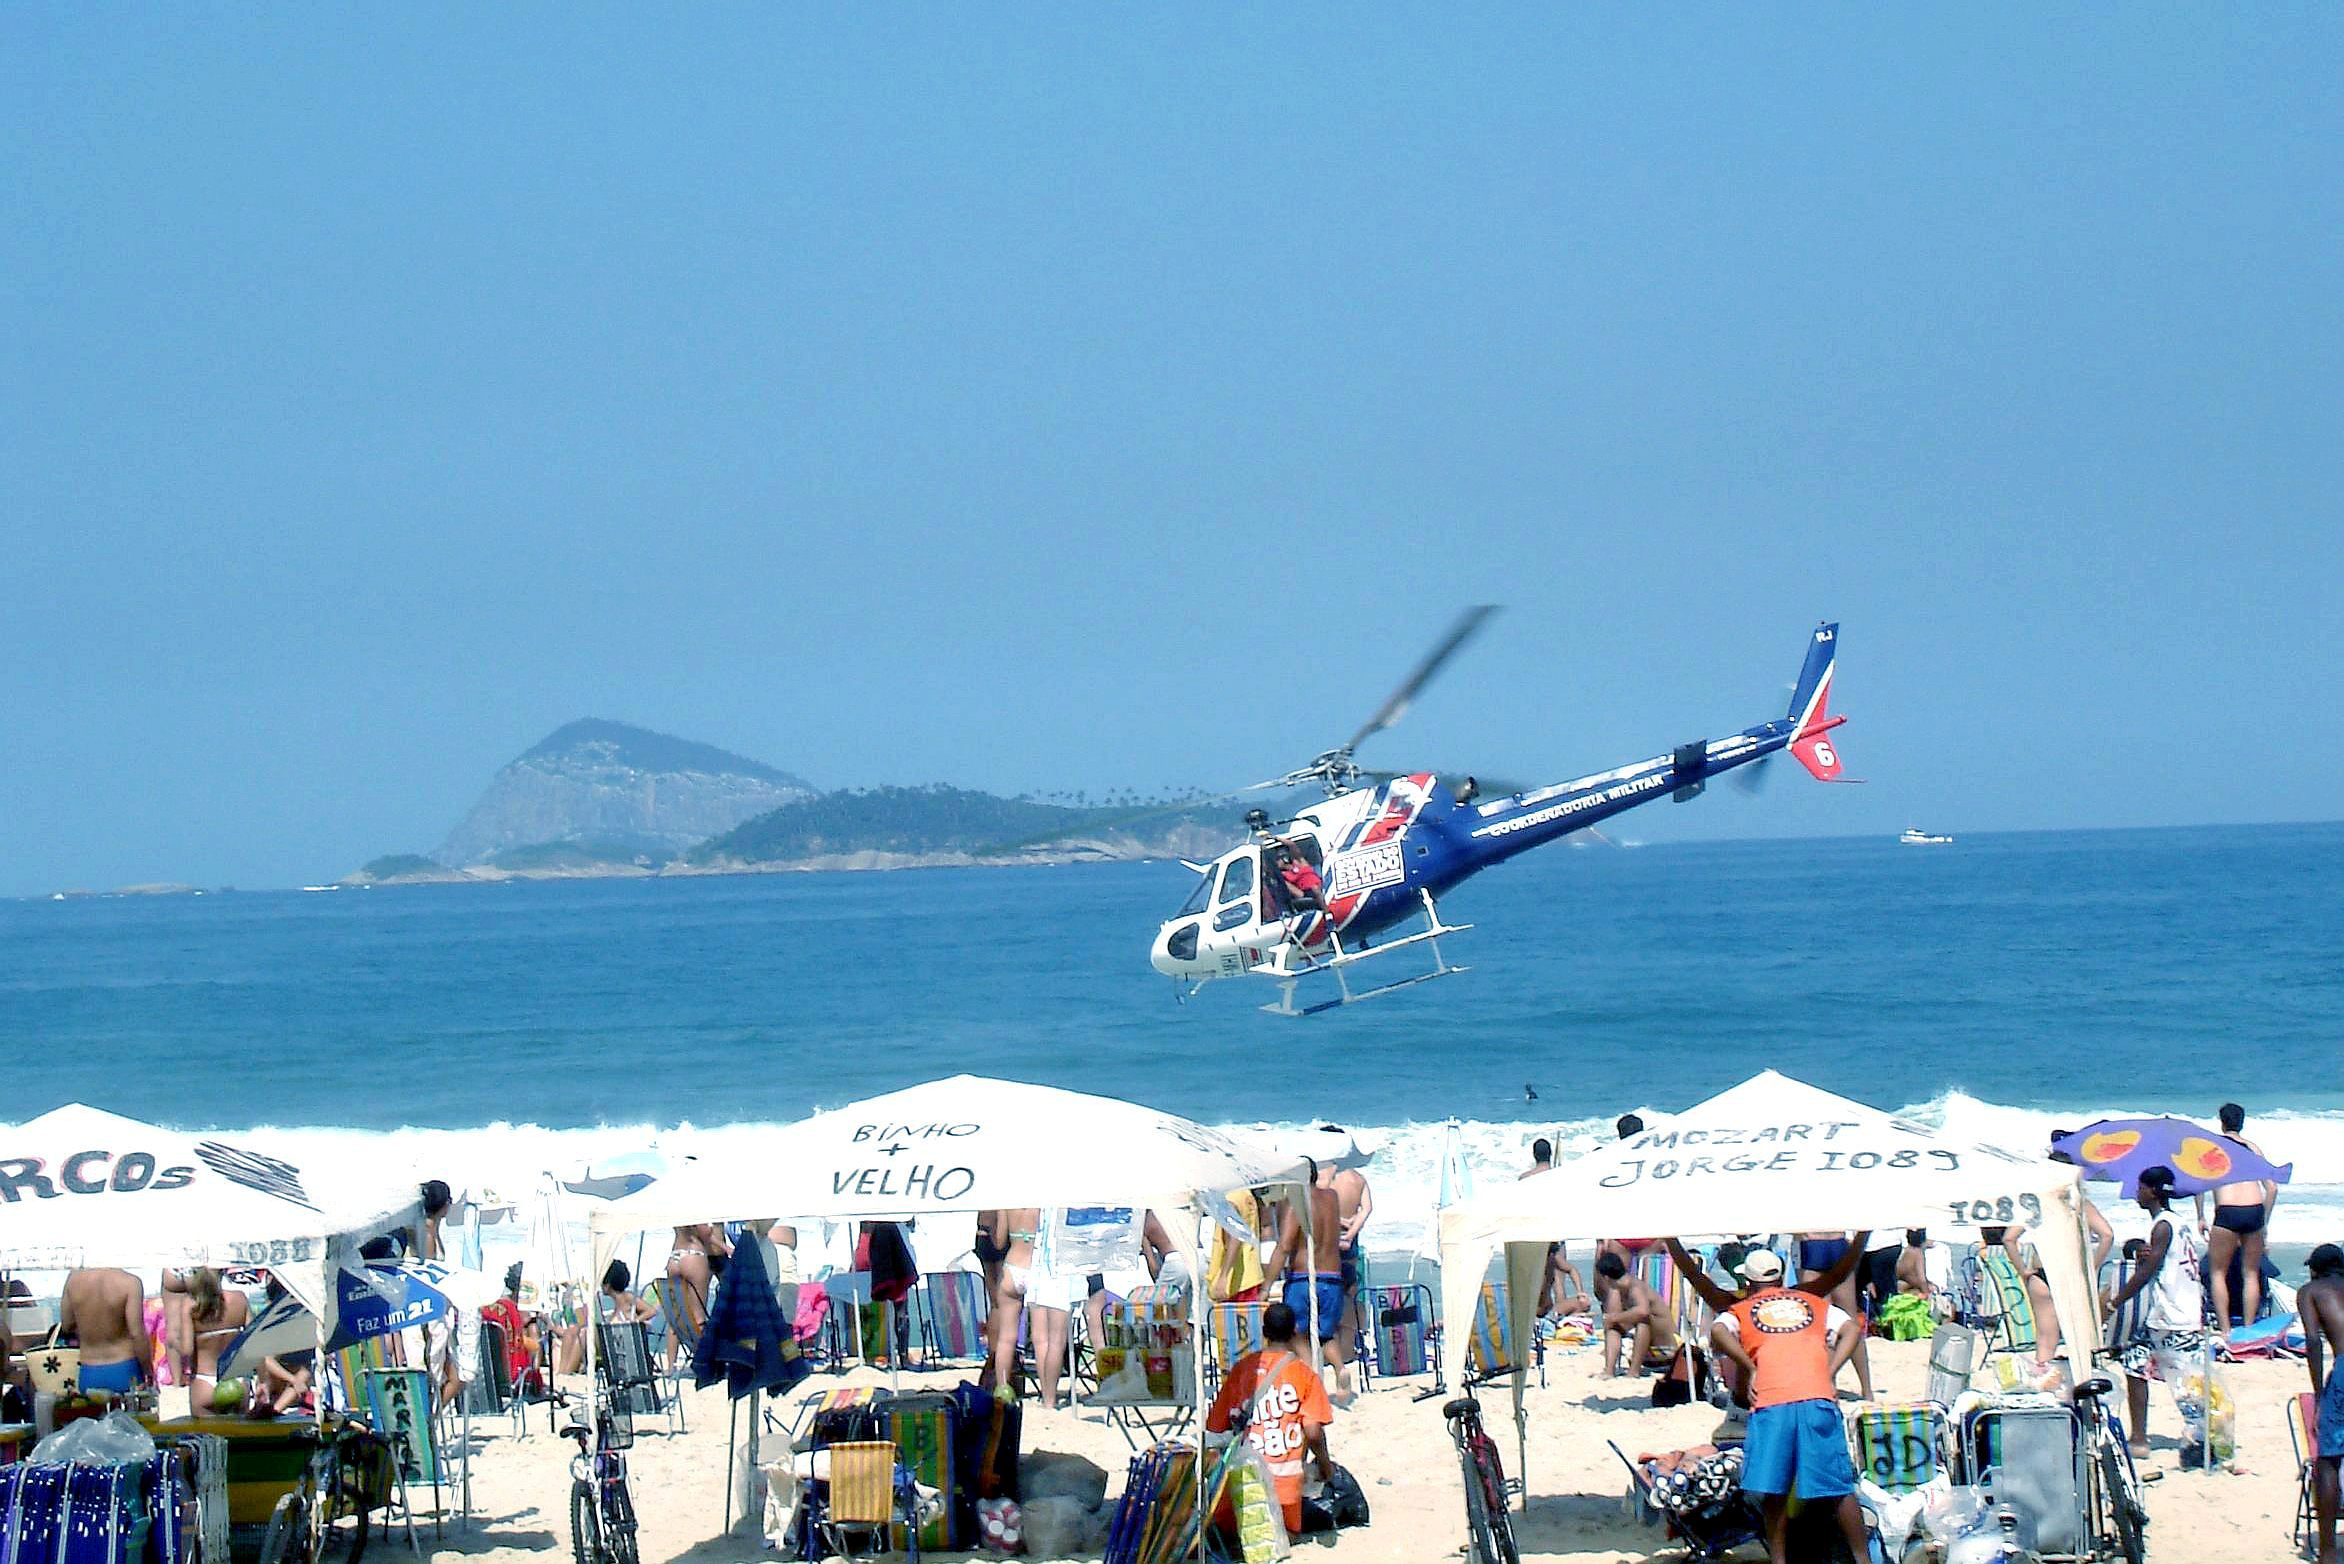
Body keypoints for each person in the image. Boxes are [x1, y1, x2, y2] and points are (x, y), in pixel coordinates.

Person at [1667, 1235, 1874, 1564]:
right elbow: (1848, 1319)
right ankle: (1864, 1559)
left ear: (1748, 1282)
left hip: (1773, 1400)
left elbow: (1710, 1310)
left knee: (1773, 1488)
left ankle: (1779, 1560)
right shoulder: (1808, 1300)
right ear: (1781, 1278)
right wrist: (1831, 1369)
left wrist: (1750, 1365)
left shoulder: (1740, 1307)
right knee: (1838, 1487)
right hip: (1816, 1395)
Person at [1204, 1301, 1336, 1540]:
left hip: (1239, 1490)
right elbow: (1314, 1433)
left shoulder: (1242, 1370)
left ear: (1264, 1333)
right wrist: (1325, 1466)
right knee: (1285, 1536)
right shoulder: (1305, 1375)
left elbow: (1214, 1427)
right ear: (1294, 1332)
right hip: (1283, 1489)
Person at [2102, 1165, 2205, 1455]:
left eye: (2141, 1187)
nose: (2137, 1192)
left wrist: (2114, 1303)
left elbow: (2147, 1271)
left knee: (2185, 1382)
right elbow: (2156, 1256)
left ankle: (2196, 1438)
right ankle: (2139, 1439)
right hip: (2176, 1312)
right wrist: (2138, 1248)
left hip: (2173, 1316)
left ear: (2154, 1192)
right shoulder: (2175, 1222)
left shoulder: (2162, 1225)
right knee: (2135, 1365)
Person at [1268, 1159, 1353, 1403]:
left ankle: (1312, 1376)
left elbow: (1284, 1245)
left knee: (1295, 1332)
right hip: (1333, 1278)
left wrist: (1266, 1285)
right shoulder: (1332, 1198)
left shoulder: (1297, 1201)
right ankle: (1340, 1369)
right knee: (1325, 1333)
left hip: (1304, 1278)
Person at [2204, 1102, 2278, 1336]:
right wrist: (2263, 1222)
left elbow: (2199, 1184)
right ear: (2242, 1122)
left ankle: (2226, 1331)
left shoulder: (2214, 1148)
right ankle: (2248, 1329)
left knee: (2218, 1273)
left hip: (2227, 1211)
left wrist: (2200, 1216)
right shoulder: (2253, 1148)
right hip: (2254, 1210)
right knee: (2251, 1273)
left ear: (2221, 1121)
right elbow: (2272, 1188)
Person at [986, 1208, 1072, 1408]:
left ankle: (1003, 1389)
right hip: (1037, 1267)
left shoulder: (1008, 1201)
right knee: (1041, 1339)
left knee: (1006, 1338)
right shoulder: (1042, 1202)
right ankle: (1047, 1393)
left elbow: (998, 1242)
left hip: (1013, 1264)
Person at [2300, 1244, 2344, 1564]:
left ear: (2314, 1269)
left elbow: (2313, 1341)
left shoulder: (2311, 1290)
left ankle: (2328, 1552)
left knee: (2328, 1460)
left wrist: (2318, 1396)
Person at [1796, 1232, 1873, 1400]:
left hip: (1810, 1244)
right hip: (1838, 1243)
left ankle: (1830, 1383)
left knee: (1822, 1321)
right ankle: (1867, 1390)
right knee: (1851, 1319)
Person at [1986, 1222, 2064, 1375]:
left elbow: (2009, 1238)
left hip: (2042, 1272)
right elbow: (2107, 1235)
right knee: (2080, 1335)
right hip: (2069, 1272)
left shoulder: (2037, 1205)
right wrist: (2093, 1266)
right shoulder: (2076, 1204)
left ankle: (2042, 1375)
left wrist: (2022, 1270)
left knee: (2045, 1336)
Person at [58, 1267, 148, 1397]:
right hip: (125, 1366)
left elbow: (67, 1325)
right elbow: (137, 1333)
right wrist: (148, 1370)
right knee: (133, 1416)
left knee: (93, 1416)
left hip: (90, 1369)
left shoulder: (73, 1280)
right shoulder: (130, 1282)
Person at [169, 1267, 250, 1409]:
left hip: (205, 1379)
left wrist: (174, 1342)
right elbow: (254, 1339)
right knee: (239, 1430)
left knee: (205, 1431)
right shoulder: (239, 1298)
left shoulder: (190, 1305)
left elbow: (187, 1350)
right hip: (237, 1378)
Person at [1593, 1252, 1680, 1377]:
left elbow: (1643, 1311)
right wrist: (1613, 1320)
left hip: (1667, 1349)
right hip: (1649, 1353)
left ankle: (1634, 1371)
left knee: (1642, 1321)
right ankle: (1609, 1371)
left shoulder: (1635, 1287)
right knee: (1614, 1326)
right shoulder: (1624, 1288)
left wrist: (1614, 1318)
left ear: (1606, 1278)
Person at [481, 1264, 540, 1393]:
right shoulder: (512, 1310)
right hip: (511, 1376)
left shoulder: (487, 1307)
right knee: (533, 1338)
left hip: (486, 1374)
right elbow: (532, 1346)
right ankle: (532, 1380)